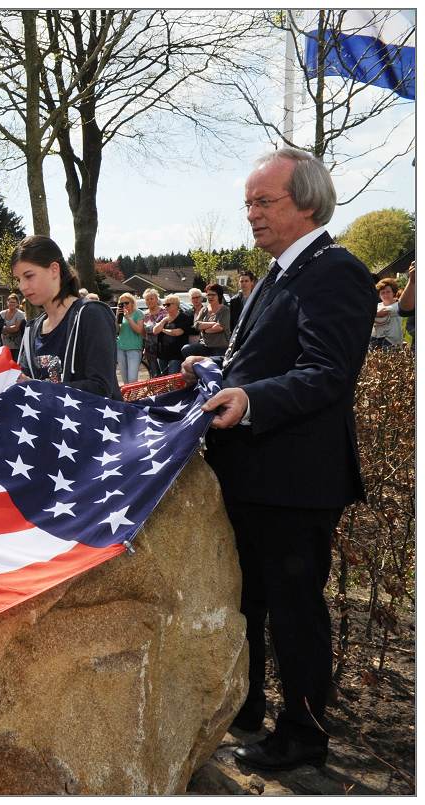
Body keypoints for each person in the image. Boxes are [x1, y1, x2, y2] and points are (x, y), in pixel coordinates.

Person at [182, 147, 376, 772]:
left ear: (309, 203)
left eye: (264, 202)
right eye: (248, 203)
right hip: (252, 473)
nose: (252, 215)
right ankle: (245, 711)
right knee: (251, 604)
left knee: (294, 613)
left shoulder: (335, 270)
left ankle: (302, 737)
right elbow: (264, 360)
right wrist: (215, 373)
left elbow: (327, 372)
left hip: (296, 481)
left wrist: (252, 398)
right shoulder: (274, 273)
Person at [12, 236, 121, 399]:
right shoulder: (31, 329)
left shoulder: (91, 315)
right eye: (18, 280)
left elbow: (102, 387)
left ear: (54, 269)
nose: (22, 286)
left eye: (29, 276)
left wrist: (38, 388)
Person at [184, 283, 231, 358]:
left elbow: (220, 327)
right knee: (186, 349)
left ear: (219, 295)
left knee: (214, 366)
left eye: (213, 295)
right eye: (208, 295)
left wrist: (204, 330)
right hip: (204, 345)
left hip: (219, 347)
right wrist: (213, 323)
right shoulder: (204, 309)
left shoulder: (225, 310)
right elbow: (196, 325)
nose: (210, 297)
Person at [152, 294, 192, 375]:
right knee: (163, 379)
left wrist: (162, 329)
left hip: (176, 355)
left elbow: (177, 332)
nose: (166, 307)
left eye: (168, 304)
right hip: (162, 354)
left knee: (172, 379)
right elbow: (155, 331)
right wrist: (163, 321)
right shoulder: (163, 317)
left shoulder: (184, 317)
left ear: (176, 305)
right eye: (164, 305)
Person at [114, 292, 146, 384]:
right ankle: (128, 398)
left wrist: (128, 318)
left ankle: (133, 398)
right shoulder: (121, 315)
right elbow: (116, 330)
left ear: (132, 303)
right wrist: (117, 318)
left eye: (126, 303)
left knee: (132, 379)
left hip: (134, 348)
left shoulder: (138, 313)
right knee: (125, 379)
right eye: (121, 304)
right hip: (120, 348)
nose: (124, 305)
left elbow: (139, 330)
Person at [370, 277, 403, 350]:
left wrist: (371, 314)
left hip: (390, 341)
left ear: (393, 292)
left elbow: (384, 312)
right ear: (379, 295)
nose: (385, 295)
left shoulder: (398, 305)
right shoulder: (377, 306)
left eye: (388, 292)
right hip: (374, 339)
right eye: (382, 293)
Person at [140, 288, 165, 379]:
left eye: (151, 298)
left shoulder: (164, 311)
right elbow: (143, 332)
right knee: (154, 374)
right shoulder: (144, 314)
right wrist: (144, 347)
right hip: (150, 348)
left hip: (163, 347)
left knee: (164, 373)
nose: (149, 301)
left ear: (156, 299)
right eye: (147, 299)